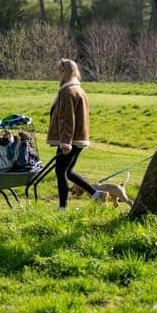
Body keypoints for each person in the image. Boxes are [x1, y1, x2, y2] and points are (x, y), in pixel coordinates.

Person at [47, 58, 104, 209]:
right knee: (68, 171)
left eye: (59, 71)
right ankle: (97, 195)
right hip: (79, 138)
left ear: (64, 72)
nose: (57, 74)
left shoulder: (68, 91)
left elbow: (67, 119)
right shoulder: (78, 89)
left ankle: (62, 208)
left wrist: (65, 142)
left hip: (70, 140)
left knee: (60, 172)